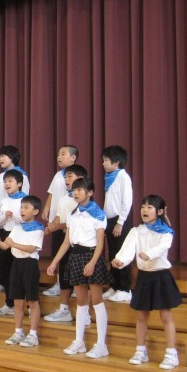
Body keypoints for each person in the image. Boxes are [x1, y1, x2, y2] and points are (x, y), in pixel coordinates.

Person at [112, 195, 182, 370]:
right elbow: (128, 248)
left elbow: (162, 247)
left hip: (161, 277)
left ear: (159, 211)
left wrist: (149, 254)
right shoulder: (136, 231)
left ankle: (171, 354)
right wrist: (120, 260)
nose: (144, 210)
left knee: (165, 317)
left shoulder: (166, 232)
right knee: (141, 316)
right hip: (144, 277)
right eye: (143, 206)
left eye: (149, 207)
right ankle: (140, 351)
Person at [47, 177, 113, 359]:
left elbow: (100, 243)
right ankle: (79, 341)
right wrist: (54, 262)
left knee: (97, 300)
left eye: (79, 190)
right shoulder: (73, 214)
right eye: (73, 190)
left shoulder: (98, 214)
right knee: (81, 301)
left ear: (90, 192)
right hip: (75, 256)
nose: (75, 193)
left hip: (91, 256)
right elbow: (66, 241)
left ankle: (101, 345)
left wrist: (92, 263)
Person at [0, 196, 45, 347]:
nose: (22, 210)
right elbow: (6, 246)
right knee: (17, 301)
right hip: (16, 264)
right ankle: (18, 332)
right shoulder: (17, 227)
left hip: (30, 265)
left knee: (32, 301)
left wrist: (13, 244)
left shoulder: (38, 228)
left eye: (26, 207)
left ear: (35, 211)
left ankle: (33, 334)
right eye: (21, 207)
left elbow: (31, 248)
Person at [42, 164, 89, 323]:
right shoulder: (63, 199)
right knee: (64, 274)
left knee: (81, 278)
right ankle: (63, 309)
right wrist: (51, 227)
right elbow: (59, 217)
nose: (66, 180)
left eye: (70, 176)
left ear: (80, 179)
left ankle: (85, 312)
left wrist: (58, 226)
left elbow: (74, 223)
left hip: (80, 245)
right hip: (65, 240)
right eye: (65, 177)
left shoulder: (84, 201)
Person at [0, 145, 30, 292]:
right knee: (3, 255)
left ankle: (17, 286)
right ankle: (2, 282)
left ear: (12, 157)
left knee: (16, 255)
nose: (0, 159)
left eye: (4, 156)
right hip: (2, 220)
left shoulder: (22, 176)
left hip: (17, 224)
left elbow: (25, 198)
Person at [41, 145, 79, 296]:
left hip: (70, 223)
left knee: (71, 255)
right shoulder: (58, 175)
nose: (59, 157)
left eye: (63, 154)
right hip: (57, 220)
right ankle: (59, 283)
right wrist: (46, 208)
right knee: (58, 252)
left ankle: (76, 286)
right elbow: (51, 193)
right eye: (58, 154)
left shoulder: (76, 175)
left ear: (73, 158)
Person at [101, 145, 134, 303]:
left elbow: (127, 201)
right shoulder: (110, 177)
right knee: (112, 254)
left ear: (116, 162)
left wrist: (120, 222)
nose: (103, 164)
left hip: (120, 221)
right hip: (109, 220)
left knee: (122, 254)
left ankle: (124, 289)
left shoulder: (123, 177)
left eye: (106, 161)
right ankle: (114, 286)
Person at [0, 169, 26, 316]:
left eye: (10, 181)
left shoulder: (25, 200)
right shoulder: (4, 200)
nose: (7, 184)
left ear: (19, 183)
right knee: (5, 269)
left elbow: (26, 220)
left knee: (19, 271)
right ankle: (9, 303)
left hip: (20, 235)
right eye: (5, 181)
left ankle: (23, 304)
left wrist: (14, 217)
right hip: (5, 234)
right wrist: (6, 216)